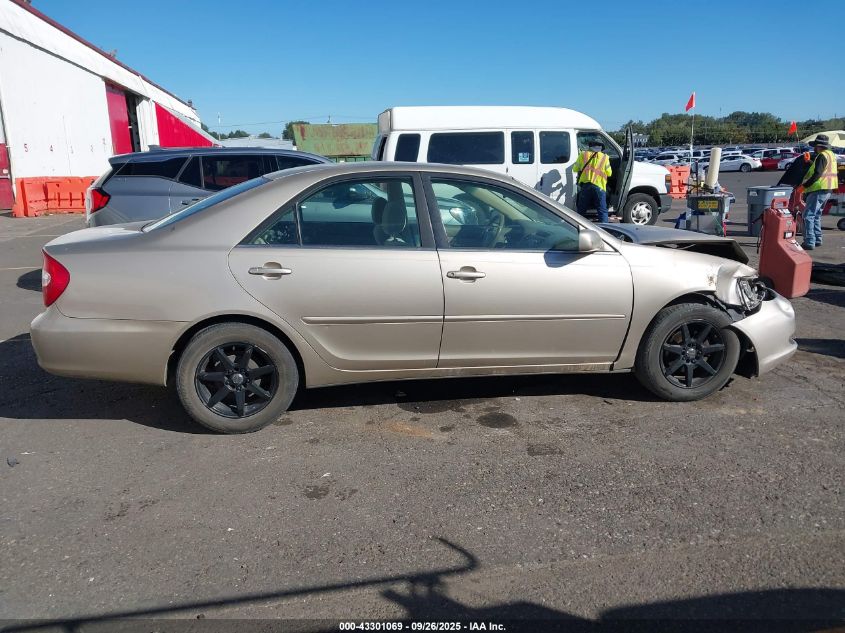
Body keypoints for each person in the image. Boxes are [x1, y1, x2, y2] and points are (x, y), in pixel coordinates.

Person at [800, 134, 838, 250]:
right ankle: (817, 239)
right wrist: (809, 161)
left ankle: (809, 241)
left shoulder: (822, 156)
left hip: (819, 188)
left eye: (815, 146)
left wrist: (804, 186)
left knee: (808, 216)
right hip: (828, 189)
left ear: (818, 146)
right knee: (816, 215)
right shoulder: (830, 155)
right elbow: (821, 169)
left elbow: (817, 173)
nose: (814, 148)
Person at [572, 140, 612, 222]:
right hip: (599, 186)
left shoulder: (583, 155)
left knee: (581, 209)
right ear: (601, 147)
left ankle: (578, 226)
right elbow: (609, 173)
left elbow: (575, 169)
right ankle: (605, 230)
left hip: (586, 186)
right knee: (602, 210)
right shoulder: (605, 157)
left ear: (590, 146)